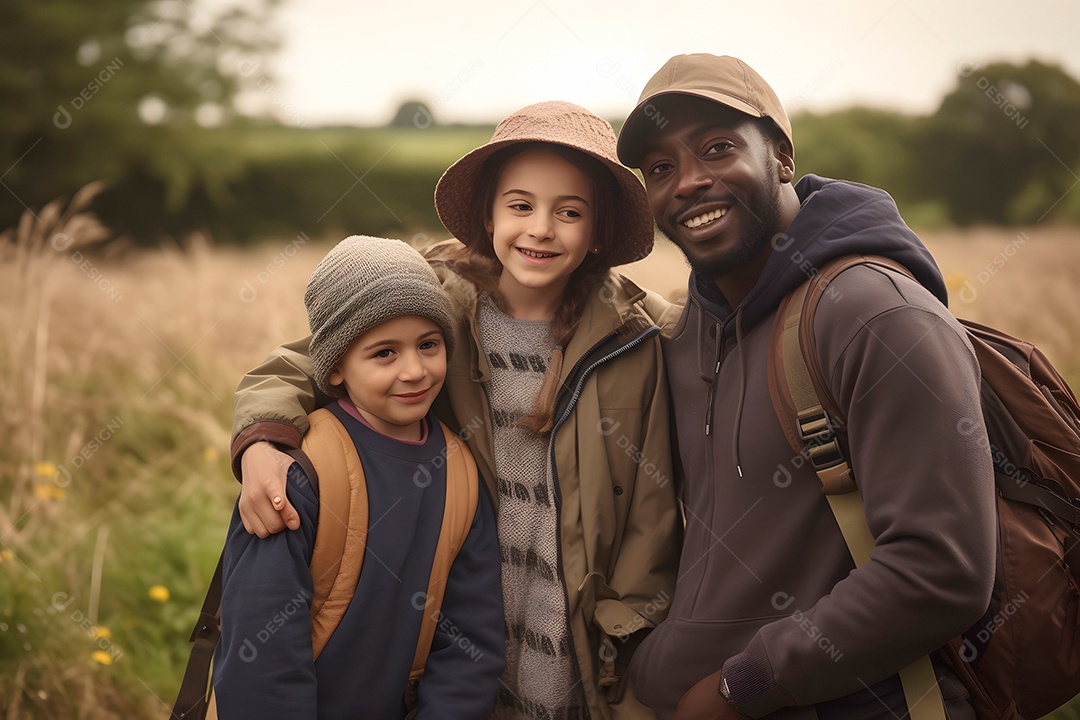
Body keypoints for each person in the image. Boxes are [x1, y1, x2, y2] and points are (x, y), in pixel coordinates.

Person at [228, 102, 681, 720]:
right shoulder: (432, 299)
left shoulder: (640, 331)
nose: (541, 228)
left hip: (579, 633)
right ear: (488, 214)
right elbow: (304, 363)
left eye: (569, 212)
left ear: (598, 230)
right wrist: (261, 442)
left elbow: (653, 517)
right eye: (520, 206)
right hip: (457, 617)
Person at [614, 54, 997, 720]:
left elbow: (944, 570)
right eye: (660, 169)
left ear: (782, 157)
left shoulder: (875, 315)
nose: (688, 183)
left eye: (717, 148)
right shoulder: (684, 335)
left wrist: (742, 688)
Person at [213, 235, 505, 719]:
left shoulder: (461, 472)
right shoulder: (297, 471)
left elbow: (471, 641)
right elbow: (259, 655)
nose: (414, 370)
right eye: (384, 353)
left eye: (428, 345)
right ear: (333, 370)